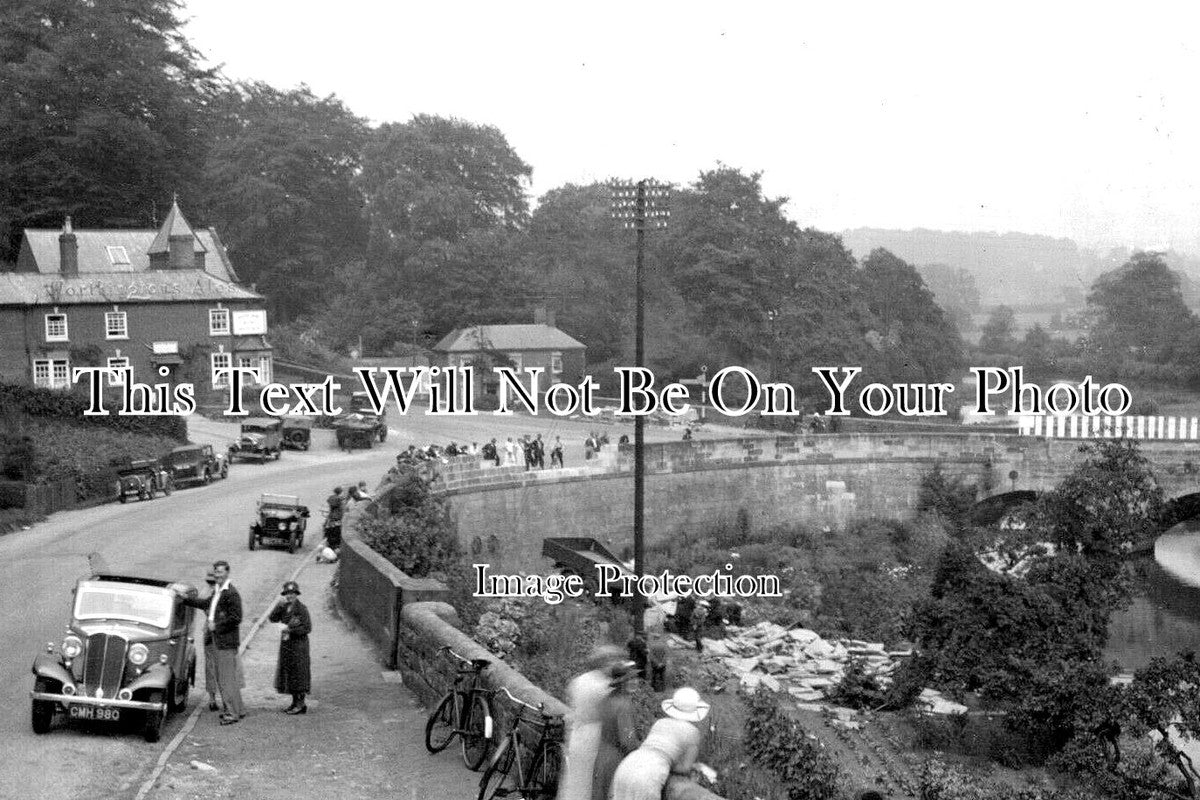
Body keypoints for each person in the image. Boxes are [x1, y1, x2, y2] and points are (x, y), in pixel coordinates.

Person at [609, 687, 710, 800]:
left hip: (627, 765)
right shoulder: (692, 732)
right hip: (650, 774)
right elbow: (685, 768)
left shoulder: (660, 723)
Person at [179, 560, 246, 725]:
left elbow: (236, 618)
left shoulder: (231, 593)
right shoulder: (218, 591)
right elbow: (205, 604)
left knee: (226, 679)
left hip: (225, 642)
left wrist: (217, 625)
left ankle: (231, 713)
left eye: (221, 572)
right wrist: (185, 599)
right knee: (226, 677)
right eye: (216, 572)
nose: (218, 575)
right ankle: (238, 709)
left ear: (227, 573)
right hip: (219, 640)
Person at [556, 645, 624, 800]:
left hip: (578, 732)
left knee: (575, 779)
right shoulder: (604, 687)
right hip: (596, 735)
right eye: (613, 662)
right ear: (605, 663)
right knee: (591, 780)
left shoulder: (579, 681)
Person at [591, 660, 639, 800]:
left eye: (635, 678)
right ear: (620, 682)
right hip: (616, 759)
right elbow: (627, 742)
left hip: (601, 755)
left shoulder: (607, 698)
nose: (634, 682)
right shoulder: (624, 705)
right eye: (629, 679)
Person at [269, 581, 312, 715]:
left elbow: (307, 628)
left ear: (296, 594)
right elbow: (272, 618)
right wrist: (278, 606)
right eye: (287, 594)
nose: (290, 596)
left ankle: (301, 704)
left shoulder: (301, 609)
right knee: (290, 673)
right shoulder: (284, 607)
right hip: (287, 645)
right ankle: (294, 702)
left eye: (292, 593)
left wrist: (289, 629)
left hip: (299, 646)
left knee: (299, 673)